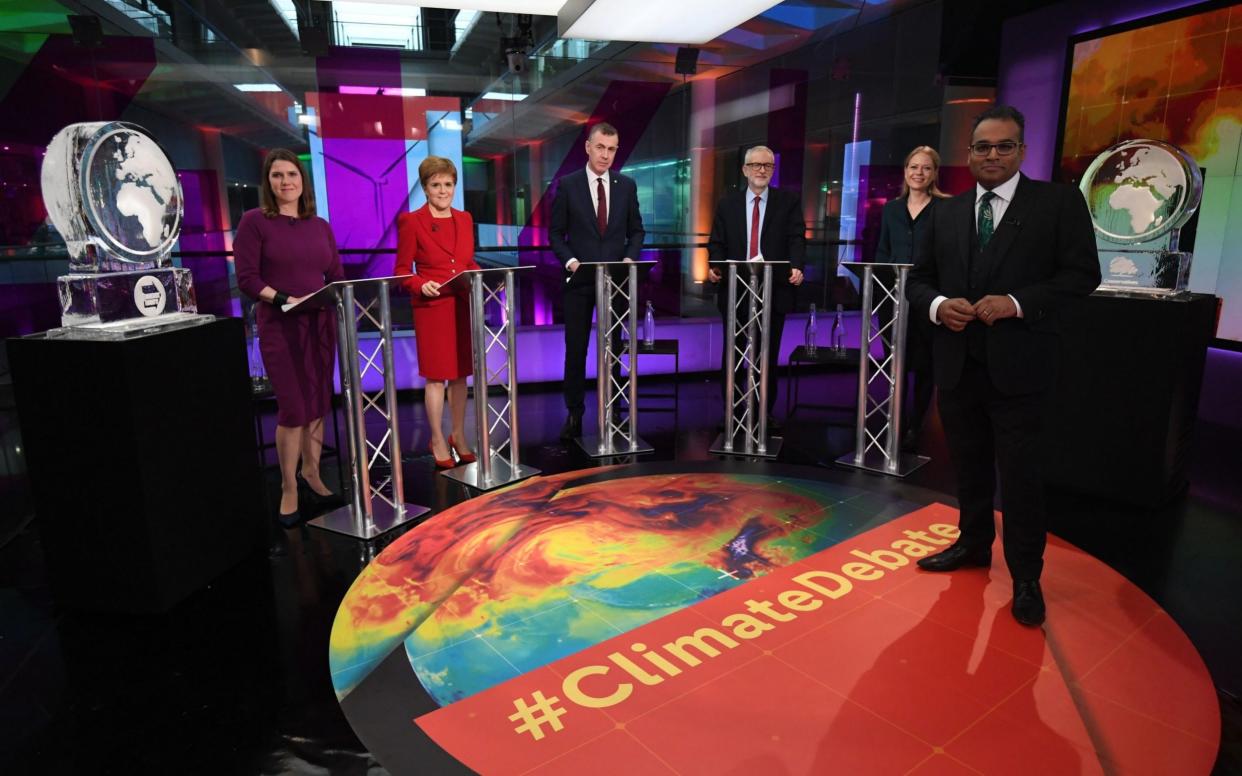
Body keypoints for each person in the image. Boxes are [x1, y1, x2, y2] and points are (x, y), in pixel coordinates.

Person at [906, 105, 1101, 626]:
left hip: (1021, 369)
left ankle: (1026, 577)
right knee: (968, 468)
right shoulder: (946, 212)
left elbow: (1083, 276)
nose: (992, 155)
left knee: (1020, 479)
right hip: (958, 364)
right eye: (982, 147)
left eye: (1004, 146)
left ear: (1022, 150)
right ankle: (972, 545)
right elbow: (918, 279)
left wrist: (1015, 302)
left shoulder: (1057, 203)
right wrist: (936, 306)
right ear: (968, 155)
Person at [235, 148, 345, 526]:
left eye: (292, 175)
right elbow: (248, 279)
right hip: (280, 324)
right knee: (294, 408)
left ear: (302, 181)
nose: (286, 182)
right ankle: (288, 485)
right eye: (278, 175)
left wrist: (342, 298)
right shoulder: (255, 222)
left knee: (317, 403)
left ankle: (312, 472)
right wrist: (284, 299)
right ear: (268, 182)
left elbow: (336, 273)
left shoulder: (319, 225)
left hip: (319, 324)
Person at [548, 122, 645, 442]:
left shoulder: (627, 185)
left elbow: (637, 231)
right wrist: (572, 262)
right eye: (601, 147)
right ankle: (574, 413)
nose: (606, 155)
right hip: (579, 282)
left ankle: (615, 409)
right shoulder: (568, 184)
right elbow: (555, 233)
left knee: (615, 349)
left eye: (612, 149)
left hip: (615, 282)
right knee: (576, 349)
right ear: (588, 147)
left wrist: (630, 258)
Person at [707, 145, 805, 429]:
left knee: (767, 355)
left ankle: (764, 414)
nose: (762, 170)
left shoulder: (788, 202)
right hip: (735, 290)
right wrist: (714, 267)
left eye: (768, 166)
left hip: (774, 290)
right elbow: (716, 242)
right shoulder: (728, 204)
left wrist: (797, 266)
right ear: (745, 170)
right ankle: (733, 411)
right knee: (734, 354)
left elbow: (797, 237)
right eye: (756, 165)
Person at [395, 156, 480, 469]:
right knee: (436, 378)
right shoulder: (411, 221)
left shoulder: (465, 218)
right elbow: (402, 271)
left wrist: (478, 274)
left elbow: (466, 262)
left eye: (448, 184)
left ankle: (458, 433)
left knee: (460, 377)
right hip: (432, 308)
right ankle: (437, 438)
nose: (443, 190)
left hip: (460, 304)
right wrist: (420, 284)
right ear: (425, 187)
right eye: (436, 185)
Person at [875, 145, 950, 452]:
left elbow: (949, 254)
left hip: (928, 298)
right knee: (896, 364)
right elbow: (883, 250)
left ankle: (915, 425)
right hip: (892, 298)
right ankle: (895, 419)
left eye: (925, 168)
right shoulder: (892, 208)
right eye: (913, 167)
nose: (919, 173)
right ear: (905, 172)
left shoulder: (945, 208)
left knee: (923, 366)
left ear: (934, 173)